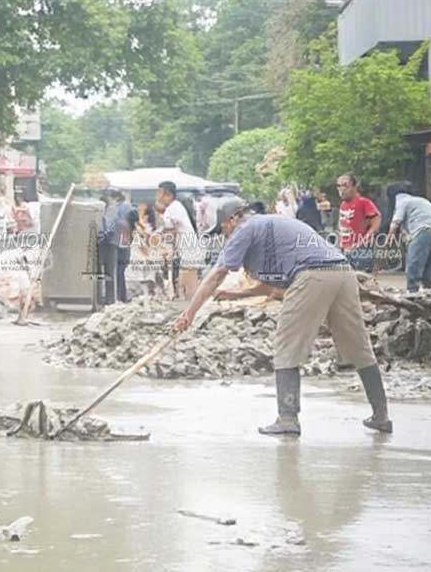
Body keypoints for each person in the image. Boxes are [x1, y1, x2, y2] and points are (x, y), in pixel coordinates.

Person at [172, 197, 392, 437]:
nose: (224, 236)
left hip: (312, 274)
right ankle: (381, 416)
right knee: (358, 346)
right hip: (341, 272)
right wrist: (237, 295)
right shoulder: (268, 228)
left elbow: (216, 275)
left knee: (286, 345)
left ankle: (287, 418)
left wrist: (188, 314)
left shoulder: (245, 229)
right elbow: (273, 288)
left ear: (233, 219)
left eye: (223, 228)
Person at [387, 183, 431, 293]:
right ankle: (429, 288)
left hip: (424, 228)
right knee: (429, 264)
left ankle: (412, 290)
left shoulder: (401, 200)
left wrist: (389, 236)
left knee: (414, 262)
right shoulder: (420, 200)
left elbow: (396, 221)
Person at [157, 181, 200, 299]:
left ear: (168, 194)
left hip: (189, 250)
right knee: (185, 284)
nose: (158, 196)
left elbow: (173, 231)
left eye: (159, 192)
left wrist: (161, 242)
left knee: (188, 287)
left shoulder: (172, 209)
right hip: (189, 250)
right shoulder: (175, 206)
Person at [336, 174, 380, 272]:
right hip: (346, 249)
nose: (341, 189)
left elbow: (376, 221)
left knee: (362, 276)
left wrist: (363, 241)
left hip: (360, 250)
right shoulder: (343, 204)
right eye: (339, 186)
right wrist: (341, 243)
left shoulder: (363, 202)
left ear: (354, 187)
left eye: (345, 185)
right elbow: (341, 224)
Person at [124, 202, 164, 297]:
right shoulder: (138, 233)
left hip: (132, 272)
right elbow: (145, 251)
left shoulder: (135, 232)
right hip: (138, 271)